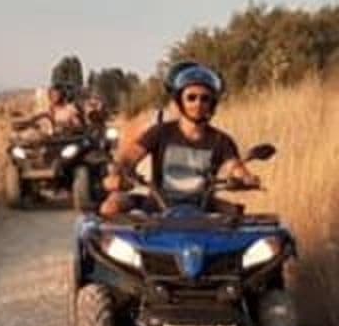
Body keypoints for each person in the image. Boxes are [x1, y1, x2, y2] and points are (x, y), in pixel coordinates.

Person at [99, 62, 260, 217]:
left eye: (205, 98)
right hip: (158, 206)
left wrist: (246, 179)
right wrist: (117, 174)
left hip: (201, 207)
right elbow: (129, 157)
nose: (198, 104)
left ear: (213, 104)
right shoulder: (160, 132)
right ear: (179, 101)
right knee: (110, 208)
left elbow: (236, 167)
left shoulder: (221, 140)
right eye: (191, 97)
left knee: (241, 221)